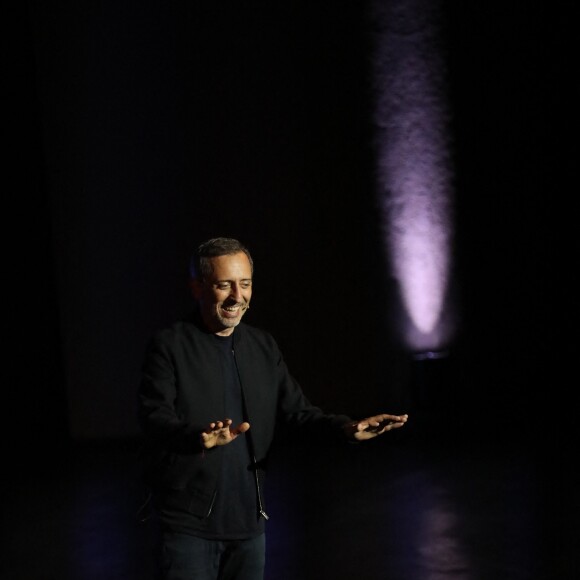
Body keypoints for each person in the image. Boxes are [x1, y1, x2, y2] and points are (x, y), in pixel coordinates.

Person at [138, 236, 408, 580]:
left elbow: (298, 414)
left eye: (245, 284)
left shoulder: (262, 346)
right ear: (197, 288)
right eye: (224, 285)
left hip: (250, 527)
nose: (238, 296)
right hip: (187, 530)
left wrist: (347, 429)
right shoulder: (169, 345)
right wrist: (197, 438)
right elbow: (153, 417)